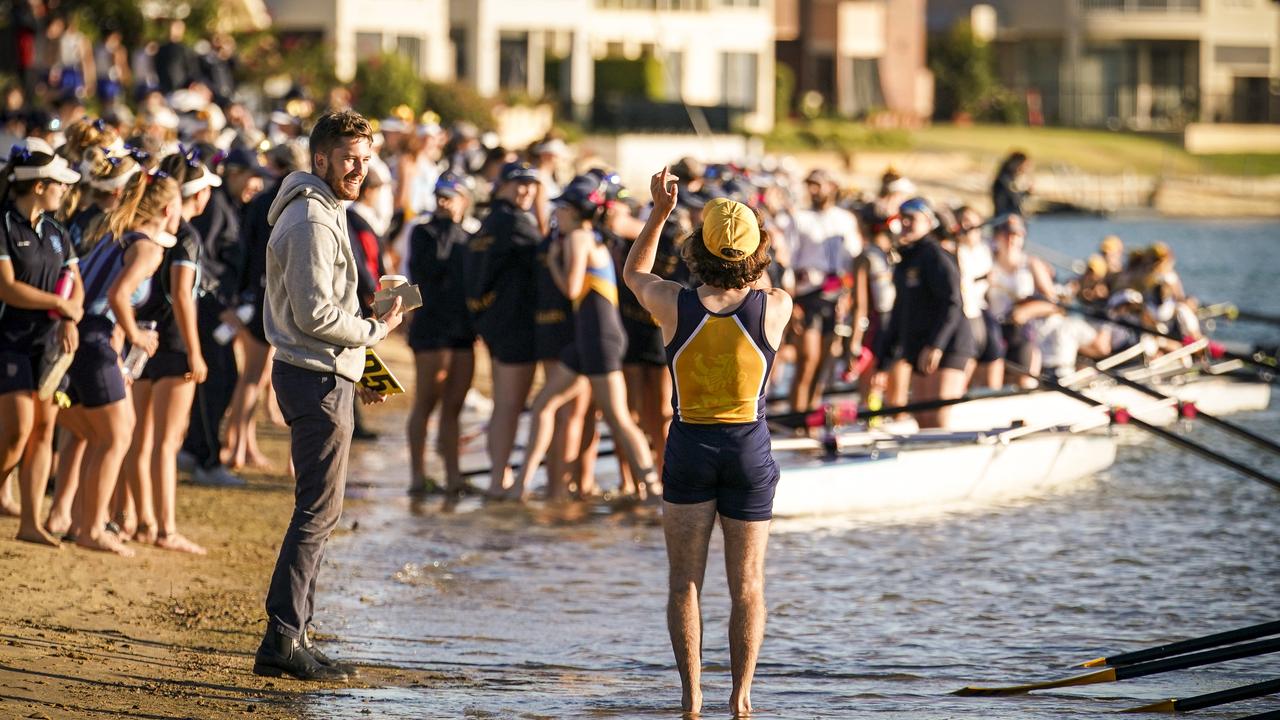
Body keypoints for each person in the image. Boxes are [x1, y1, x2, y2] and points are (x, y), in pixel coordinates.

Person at [626, 169, 790, 717]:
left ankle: (691, 698)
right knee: (747, 585)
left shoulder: (674, 303)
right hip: (749, 452)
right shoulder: (777, 306)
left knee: (684, 585)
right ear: (755, 250)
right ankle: (741, 699)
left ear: (696, 249)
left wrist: (659, 210)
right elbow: (770, 268)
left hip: (690, 449)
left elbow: (635, 271)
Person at [254, 110, 405, 681]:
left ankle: (297, 633)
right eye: (348, 158)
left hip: (321, 372)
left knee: (323, 509)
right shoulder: (311, 221)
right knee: (317, 511)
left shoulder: (326, 210)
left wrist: (366, 368)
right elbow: (315, 315)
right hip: (311, 376)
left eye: (365, 159)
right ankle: (283, 638)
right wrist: (373, 334)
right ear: (319, 159)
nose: (359, 169)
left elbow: (324, 308)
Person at [506, 174, 660, 502]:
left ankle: (653, 488)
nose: (556, 214)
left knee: (619, 417)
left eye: (561, 207)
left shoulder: (578, 237)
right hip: (586, 339)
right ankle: (522, 484)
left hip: (600, 338)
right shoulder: (590, 235)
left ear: (575, 212)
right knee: (543, 405)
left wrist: (552, 262)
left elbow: (572, 288)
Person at [64, 166, 183, 556]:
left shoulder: (115, 235)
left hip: (83, 337)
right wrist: (137, 337)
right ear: (167, 209)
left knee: (100, 437)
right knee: (117, 436)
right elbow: (118, 296)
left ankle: (85, 522)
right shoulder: (148, 246)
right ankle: (92, 529)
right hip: (95, 339)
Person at [117, 150, 216, 553]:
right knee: (166, 441)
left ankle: (142, 520)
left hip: (144, 334)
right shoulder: (187, 235)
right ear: (197, 195)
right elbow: (181, 293)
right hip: (173, 341)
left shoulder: (151, 229)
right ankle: (164, 528)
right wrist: (196, 350)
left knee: (140, 439)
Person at [0, 139, 84, 544]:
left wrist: (71, 315)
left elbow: (77, 287)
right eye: (59, 183)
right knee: (18, 431)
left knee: (42, 434)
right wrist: (61, 305)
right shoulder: (3, 225)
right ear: (38, 185)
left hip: (49, 346)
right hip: (9, 340)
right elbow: (8, 290)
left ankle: (30, 523)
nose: (64, 190)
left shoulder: (57, 231)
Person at [463, 161, 546, 497]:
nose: (525, 190)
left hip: (496, 322)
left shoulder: (491, 220)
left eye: (531, 185)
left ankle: (500, 476)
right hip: (515, 323)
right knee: (510, 404)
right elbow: (545, 252)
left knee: (503, 403)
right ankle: (500, 478)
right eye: (518, 184)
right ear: (502, 187)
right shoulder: (514, 221)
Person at [406, 174, 477, 497]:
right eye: (439, 197)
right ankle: (418, 476)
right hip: (431, 327)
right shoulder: (423, 232)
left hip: (462, 329)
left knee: (454, 407)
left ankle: (452, 476)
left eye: (450, 197)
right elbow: (423, 272)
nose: (443, 202)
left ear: (464, 199)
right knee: (425, 402)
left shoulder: (472, 235)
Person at [878, 198, 974, 428]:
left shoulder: (936, 256)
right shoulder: (905, 259)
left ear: (929, 222)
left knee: (937, 418)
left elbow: (953, 303)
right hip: (921, 347)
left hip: (948, 344)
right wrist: (884, 362)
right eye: (903, 219)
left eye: (913, 219)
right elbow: (899, 312)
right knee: (922, 419)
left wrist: (937, 344)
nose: (906, 224)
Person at [788, 168, 860, 414]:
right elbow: (790, 262)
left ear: (832, 186)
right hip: (808, 296)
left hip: (836, 296)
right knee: (807, 360)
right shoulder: (799, 218)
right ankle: (797, 416)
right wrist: (793, 302)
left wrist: (848, 295)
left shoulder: (845, 219)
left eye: (818, 185)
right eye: (810, 185)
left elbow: (852, 262)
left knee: (824, 363)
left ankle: (811, 414)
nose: (813, 190)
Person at [992, 151, 1031, 218]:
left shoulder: (1010, 179)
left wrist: (1027, 193)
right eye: (1025, 165)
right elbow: (1013, 201)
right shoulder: (1004, 180)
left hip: (1010, 219)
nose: (1025, 168)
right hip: (1005, 220)